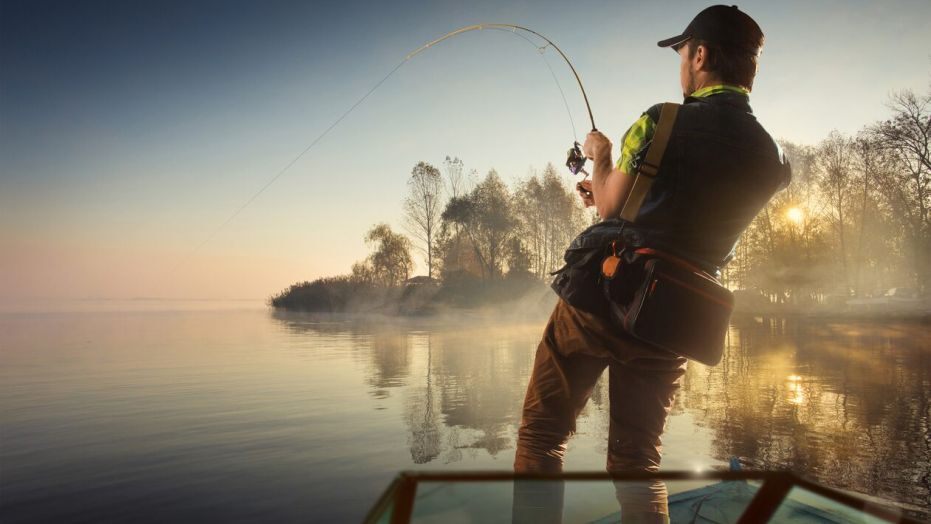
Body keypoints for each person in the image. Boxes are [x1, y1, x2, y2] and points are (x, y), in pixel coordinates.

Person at [512, 5, 791, 523]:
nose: (681, 65)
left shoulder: (663, 120)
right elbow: (685, 218)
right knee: (638, 460)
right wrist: (609, 195)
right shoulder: (769, 158)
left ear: (700, 55)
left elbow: (614, 203)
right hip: (674, 319)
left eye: (682, 53)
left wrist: (600, 158)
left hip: (602, 299)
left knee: (542, 437)